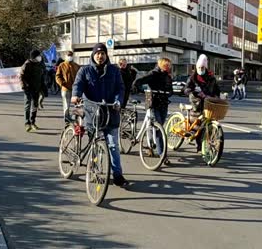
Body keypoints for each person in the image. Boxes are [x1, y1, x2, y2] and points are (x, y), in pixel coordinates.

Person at [71, 43, 128, 187]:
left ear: (106, 55)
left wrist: (118, 101)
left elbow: (120, 88)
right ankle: (94, 170)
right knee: (94, 143)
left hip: (111, 112)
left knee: (113, 145)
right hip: (92, 111)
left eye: (103, 53)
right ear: (93, 55)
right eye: (97, 53)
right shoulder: (85, 70)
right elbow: (78, 84)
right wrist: (76, 95)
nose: (100, 56)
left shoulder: (114, 70)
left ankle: (118, 175)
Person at [132, 58, 173, 164]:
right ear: (161, 64)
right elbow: (139, 81)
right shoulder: (153, 74)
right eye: (167, 65)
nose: (169, 67)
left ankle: (150, 145)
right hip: (153, 103)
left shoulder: (168, 76)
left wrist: (168, 92)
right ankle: (162, 155)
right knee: (159, 128)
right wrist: (139, 88)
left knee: (157, 127)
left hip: (163, 104)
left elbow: (171, 90)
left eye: (169, 65)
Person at [184, 54, 221, 153]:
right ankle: (198, 143)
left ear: (206, 67)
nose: (201, 69)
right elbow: (186, 89)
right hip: (197, 101)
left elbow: (217, 89)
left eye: (203, 67)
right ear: (197, 67)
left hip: (208, 101)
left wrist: (218, 96)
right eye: (199, 67)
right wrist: (194, 92)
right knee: (198, 121)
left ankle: (208, 140)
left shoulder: (211, 78)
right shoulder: (193, 77)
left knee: (209, 120)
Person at [20, 49, 46, 132]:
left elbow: (41, 77)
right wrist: (24, 86)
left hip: (37, 89)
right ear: (34, 57)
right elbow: (21, 76)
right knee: (27, 106)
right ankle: (27, 123)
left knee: (35, 106)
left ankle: (33, 122)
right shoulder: (27, 64)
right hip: (28, 89)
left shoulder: (40, 64)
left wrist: (43, 87)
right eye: (38, 55)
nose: (40, 57)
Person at [55, 51, 80, 124]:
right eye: (68, 55)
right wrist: (62, 83)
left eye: (71, 55)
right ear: (65, 56)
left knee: (77, 105)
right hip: (65, 89)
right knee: (66, 105)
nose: (70, 56)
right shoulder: (62, 65)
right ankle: (66, 119)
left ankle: (76, 118)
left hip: (76, 89)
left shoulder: (76, 65)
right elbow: (57, 76)